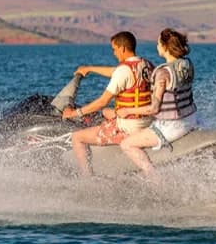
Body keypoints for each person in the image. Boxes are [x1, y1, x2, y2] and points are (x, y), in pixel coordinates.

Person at [61, 31, 154, 177]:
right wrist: (89, 68)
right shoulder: (146, 64)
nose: (114, 53)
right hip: (147, 120)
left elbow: (102, 101)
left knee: (77, 137)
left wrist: (74, 113)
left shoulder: (123, 71)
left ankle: (87, 178)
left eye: (114, 49)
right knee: (105, 112)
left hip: (129, 127)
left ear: (122, 48)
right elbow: (116, 72)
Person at [115, 28, 198, 176]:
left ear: (166, 46)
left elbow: (153, 109)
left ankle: (154, 178)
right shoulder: (186, 64)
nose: (157, 46)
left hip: (172, 127)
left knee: (126, 144)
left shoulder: (162, 73)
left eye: (158, 43)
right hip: (191, 119)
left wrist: (127, 111)